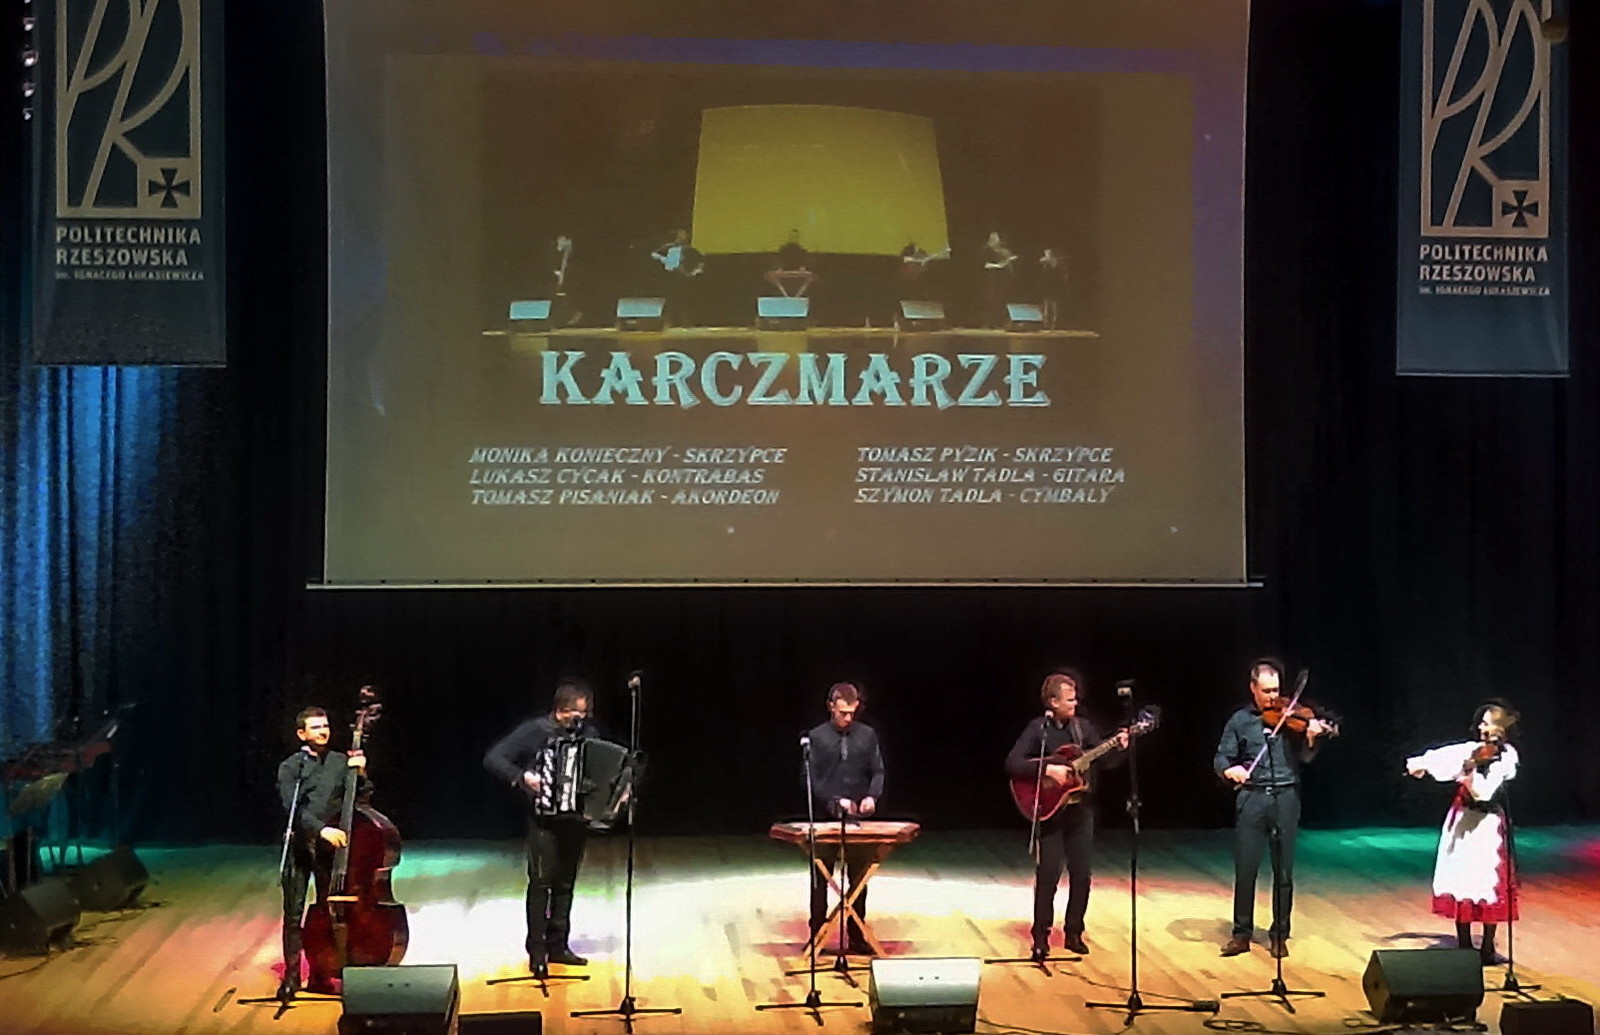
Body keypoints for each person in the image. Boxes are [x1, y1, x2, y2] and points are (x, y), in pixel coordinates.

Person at [1004, 670, 1128, 960]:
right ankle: (1040, 937)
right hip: (1051, 813)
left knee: (1082, 874)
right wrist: (1047, 769)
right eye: (1069, 700)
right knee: (1048, 875)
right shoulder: (1038, 729)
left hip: (1081, 810)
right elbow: (1013, 763)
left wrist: (1119, 748)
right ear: (1053, 702)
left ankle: (1074, 932)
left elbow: (1104, 762)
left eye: (1075, 699)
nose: (1075, 703)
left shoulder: (1083, 728)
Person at [1214, 658, 1333, 959]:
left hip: (1285, 796)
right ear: (1252, 688)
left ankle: (1280, 934)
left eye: (1276, 690)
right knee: (1246, 869)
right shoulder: (1239, 721)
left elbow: (1306, 758)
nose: (1273, 698)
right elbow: (1221, 758)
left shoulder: (1292, 717)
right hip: (1252, 798)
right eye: (1266, 691)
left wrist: (1311, 738)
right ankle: (1241, 933)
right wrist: (1230, 770)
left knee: (1283, 872)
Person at [484, 680, 599, 976]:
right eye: (576, 713)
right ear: (561, 710)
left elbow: (595, 771)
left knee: (565, 883)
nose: (581, 720)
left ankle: (558, 945)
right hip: (543, 821)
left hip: (575, 820)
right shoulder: (535, 731)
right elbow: (494, 758)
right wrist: (523, 777)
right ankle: (537, 950)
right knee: (540, 883)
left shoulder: (588, 735)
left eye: (585, 714)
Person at [1405, 699, 1521, 965]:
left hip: (1487, 825)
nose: (1481, 727)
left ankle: (1487, 946)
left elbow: (1483, 792)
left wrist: (1468, 769)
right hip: (1462, 820)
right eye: (1481, 723)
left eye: (1487, 723)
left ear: (1502, 729)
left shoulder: (1507, 756)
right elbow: (1442, 756)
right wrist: (1420, 764)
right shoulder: (1471, 749)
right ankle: (1464, 945)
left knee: (1487, 881)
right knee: (1460, 877)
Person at [276, 706, 365, 997]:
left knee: (330, 912)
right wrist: (320, 829)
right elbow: (292, 809)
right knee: (294, 914)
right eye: (316, 727)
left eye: (325, 726)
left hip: (331, 850)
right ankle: (291, 977)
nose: (323, 731)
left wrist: (360, 772)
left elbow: (362, 796)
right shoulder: (291, 768)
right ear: (301, 734)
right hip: (300, 847)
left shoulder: (340, 762)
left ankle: (322, 971)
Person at [803, 681, 885, 955]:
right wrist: (836, 801)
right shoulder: (816, 737)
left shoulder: (867, 735)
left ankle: (856, 936)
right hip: (826, 817)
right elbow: (809, 779)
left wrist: (872, 796)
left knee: (858, 879)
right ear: (831, 707)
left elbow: (878, 771)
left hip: (858, 820)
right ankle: (818, 934)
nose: (848, 718)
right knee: (820, 879)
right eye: (842, 713)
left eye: (852, 713)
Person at [980, 231, 1017, 327]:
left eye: (997, 238)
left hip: (1002, 281)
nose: (997, 240)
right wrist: (1001, 265)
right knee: (991, 301)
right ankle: (988, 323)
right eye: (994, 238)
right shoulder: (986, 250)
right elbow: (985, 265)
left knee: (1001, 301)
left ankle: (1000, 322)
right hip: (990, 280)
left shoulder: (1004, 251)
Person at [765, 229, 816, 297]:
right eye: (792, 236)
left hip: (799, 274)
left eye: (795, 236)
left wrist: (803, 268)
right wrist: (779, 268)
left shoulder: (802, 251)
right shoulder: (783, 250)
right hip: (784, 272)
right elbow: (778, 260)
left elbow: (806, 263)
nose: (793, 238)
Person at [1037, 248, 1067, 330]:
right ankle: (1046, 324)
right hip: (1048, 289)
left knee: (1054, 308)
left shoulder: (1054, 264)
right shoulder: (1046, 266)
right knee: (1047, 307)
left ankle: (1054, 324)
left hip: (1054, 289)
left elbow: (1057, 274)